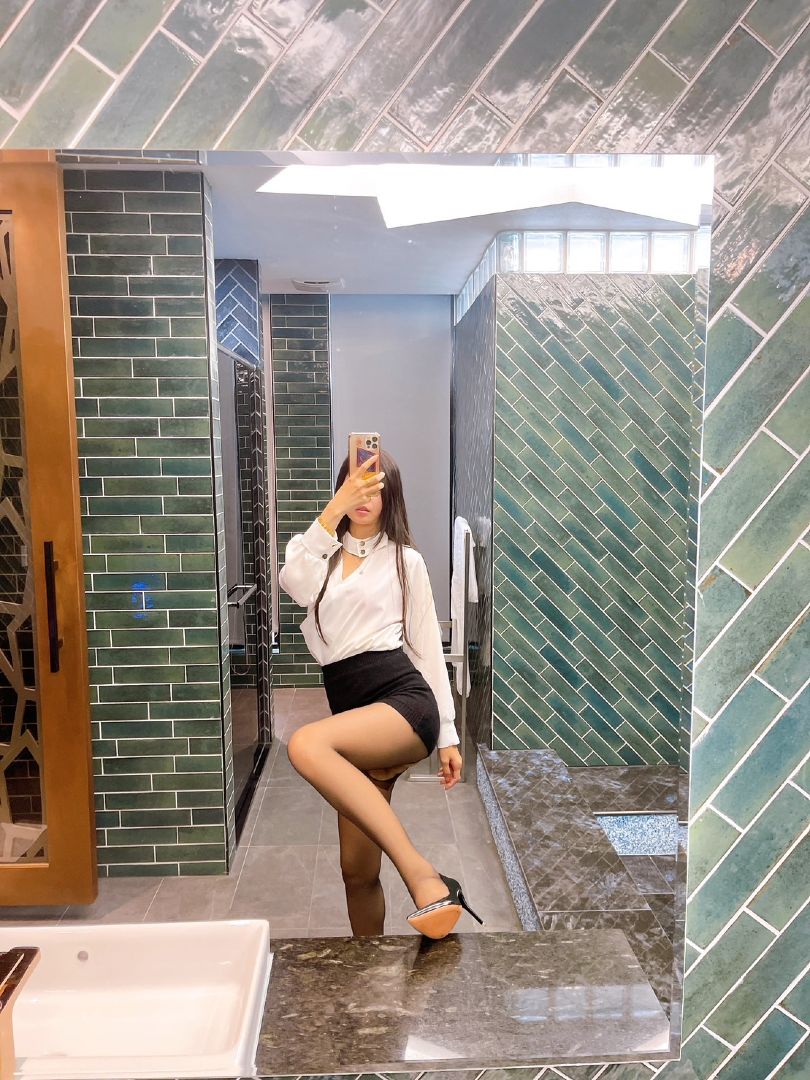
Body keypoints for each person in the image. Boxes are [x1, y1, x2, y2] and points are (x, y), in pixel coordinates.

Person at [278, 449, 483, 940]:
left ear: (391, 496)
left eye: (376, 486)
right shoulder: (316, 556)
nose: (365, 495)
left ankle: (424, 877)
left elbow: (427, 646)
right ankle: (368, 967)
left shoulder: (405, 561)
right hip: (353, 716)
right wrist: (332, 513)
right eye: (355, 484)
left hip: (402, 702)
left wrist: (448, 735)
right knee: (357, 871)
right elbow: (293, 585)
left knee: (305, 744)